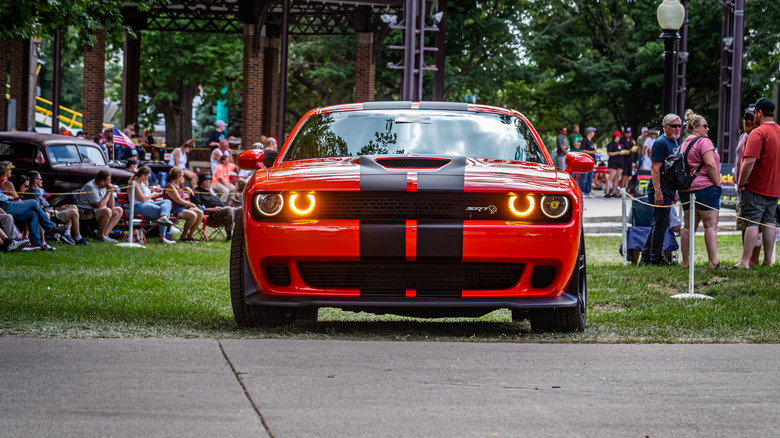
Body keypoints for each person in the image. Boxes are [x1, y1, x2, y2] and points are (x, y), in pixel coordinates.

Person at [735, 98, 780, 269]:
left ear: (759, 112)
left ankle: (745, 261)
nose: (753, 116)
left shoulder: (758, 133)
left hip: (755, 187)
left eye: (754, 113)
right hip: (774, 188)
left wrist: (741, 182)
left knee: (752, 223)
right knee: (769, 223)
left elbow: (749, 161)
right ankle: (767, 261)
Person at [677, 110, 723, 269]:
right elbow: (710, 164)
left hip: (686, 190)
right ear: (695, 128)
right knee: (710, 226)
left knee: (688, 227)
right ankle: (713, 262)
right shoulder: (704, 142)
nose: (708, 129)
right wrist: (717, 183)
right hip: (705, 188)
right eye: (705, 126)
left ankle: (685, 262)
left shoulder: (683, 144)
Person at [640, 113, 683, 266]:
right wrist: (658, 192)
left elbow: (674, 169)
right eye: (674, 126)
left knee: (659, 223)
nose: (677, 128)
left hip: (669, 189)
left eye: (679, 125)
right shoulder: (661, 143)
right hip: (660, 189)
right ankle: (655, 258)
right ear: (665, 127)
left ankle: (646, 257)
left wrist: (675, 190)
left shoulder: (675, 142)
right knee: (661, 224)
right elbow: (655, 169)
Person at [28, 171, 90, 246]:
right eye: (40, 179)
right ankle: (78, 238)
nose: (42, 181)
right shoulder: (34, 193)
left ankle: (67, 233)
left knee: (73, 206)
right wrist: (54, 210)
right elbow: (39, 208)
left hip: (51, 210)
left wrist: (59, 208)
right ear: (35, 180)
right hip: (49, 214)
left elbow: (44, 206)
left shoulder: (38, 191)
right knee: (74, 212)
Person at [733, 106, 760, 264]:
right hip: (741, 189)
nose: (748, 121)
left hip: (752, 188)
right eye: (746, 118)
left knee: (755, 223)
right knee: (744, 223)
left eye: (751, 118)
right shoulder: (743, 136)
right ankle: (747, 258)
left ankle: (753, 260)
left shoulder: (758, 136)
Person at [127, 166, 176, 244]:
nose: (148, 179)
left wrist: (152, 190)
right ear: (143, 175)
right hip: (138, 206)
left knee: (167, 201)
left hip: (149, 203)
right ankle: (162, 237)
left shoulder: (142, 183)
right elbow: (142, 198)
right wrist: (153, 195)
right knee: (161, 211)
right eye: (148, 177)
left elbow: (145, 193)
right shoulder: (134, 184)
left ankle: (163, 217)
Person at [0, 186, 57, 251]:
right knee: (33, 202)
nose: (27, 188)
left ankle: (36, 242)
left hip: (6, 204)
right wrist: (8, 197)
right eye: (26, 186)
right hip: (4, 205)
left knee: (32, 214)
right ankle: (50, 227)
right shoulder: (5, 182)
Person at [75, 169, 123, 243]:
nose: (110, 183)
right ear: (102, 182)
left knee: (118, 210)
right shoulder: (91, 187)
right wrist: (108, 193)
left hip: (96, 211)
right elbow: (98, 206)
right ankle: (100, 236)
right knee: (107, 211)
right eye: (109, 181)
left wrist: (111, 193)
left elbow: (111, 206)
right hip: (86, 212)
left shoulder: (103, 186)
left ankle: (105, 235)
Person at [192, 173, 240, 240]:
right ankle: (229, 235)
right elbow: (196, 207)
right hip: (212, 215)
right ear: (204, 183)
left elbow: (221, 203)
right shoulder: (197, 192)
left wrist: (229, 207)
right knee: (228, 210)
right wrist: (210, 209)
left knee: (240, 210)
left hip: (223, 211)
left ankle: (240, 235)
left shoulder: (210, 191)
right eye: (208, 182)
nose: (210, 184)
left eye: (210, 182)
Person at [164, 167, 204, 242]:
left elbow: (179, 192)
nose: (183, 177)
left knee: (200, 213)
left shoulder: (178, 186)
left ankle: (191, 235)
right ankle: (184, 235)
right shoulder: (170, 186)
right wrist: (192, 204)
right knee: (193, 215)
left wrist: (185, 189)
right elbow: (179, 200)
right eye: (182, 176)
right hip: (174, 208)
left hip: (182, 207)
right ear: (177, 176)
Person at [605, 131, 625, 198]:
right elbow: (609, 153)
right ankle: (607, 192)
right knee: (611, 177)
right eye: (618, 137)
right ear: (615, 137)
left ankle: (614, 192)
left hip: (620, 162)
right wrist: (617, 153)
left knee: (617, 178)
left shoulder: (620, 144)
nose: (619, 138)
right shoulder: (611, 144)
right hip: (613, 162)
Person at [579, 127, 597, 198]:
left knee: (590, 177)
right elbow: (582, 150)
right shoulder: (585, 141)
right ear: (589, 132)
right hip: (586, 161)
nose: (594, 133)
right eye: (593, 132)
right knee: (584, 177)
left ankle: (588, 191)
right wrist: (591, 152)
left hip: (591, 162)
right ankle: (582, 191)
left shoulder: (591, 141)